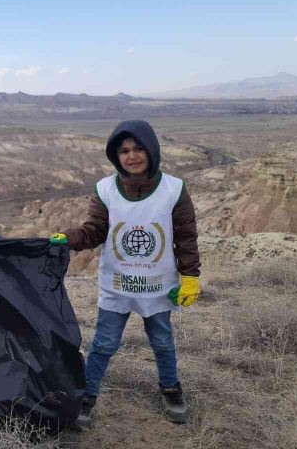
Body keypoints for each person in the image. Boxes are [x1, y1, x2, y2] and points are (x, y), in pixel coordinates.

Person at [51, 120, 200, 428]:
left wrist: (190, 276)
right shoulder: (105, 190)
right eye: (124, 151)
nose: (132, 156)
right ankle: (86, 396)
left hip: (157, 286)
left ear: (152, 149)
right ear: (115, 155)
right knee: (104, 343)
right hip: (117, 284)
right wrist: (68, 238)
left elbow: (185, 237)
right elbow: (94, 231)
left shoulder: (173, 190)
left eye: (138, 148)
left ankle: (170, 389)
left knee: (161, 341)